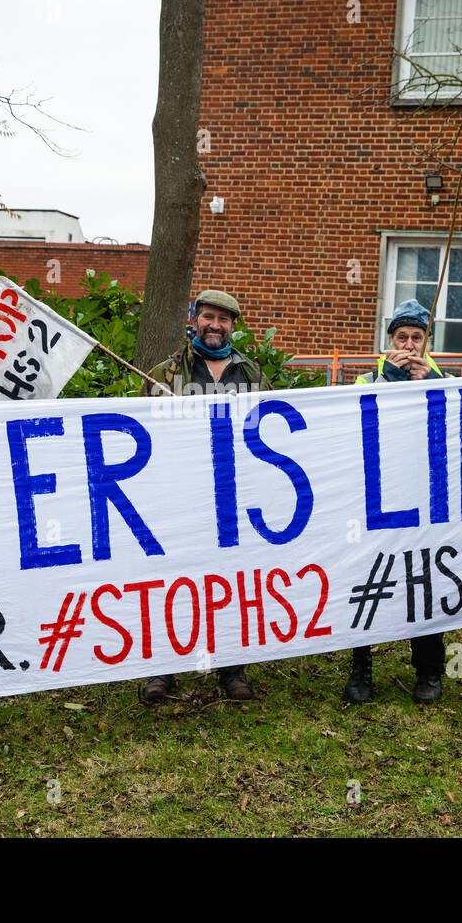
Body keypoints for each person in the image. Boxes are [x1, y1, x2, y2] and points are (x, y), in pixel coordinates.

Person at [139, 289, 271, 704]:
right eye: (208, 317)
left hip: (233, 497)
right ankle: (163, 670)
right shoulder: (167, 373)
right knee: (174, 580)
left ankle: (232, 670)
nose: (215, 326)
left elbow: (266, 427)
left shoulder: (251, 374)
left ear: (234, 326)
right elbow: (146, 431)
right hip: (179, 496)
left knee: (230, 581)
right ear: (194, 320)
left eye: (224, 319)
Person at [343, 299, 449, 704]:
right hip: (375, 499)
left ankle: (429, 669)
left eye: (416, 338)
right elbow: (354, 422)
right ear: (388, 341)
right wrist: (389, 379)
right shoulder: (367, 381)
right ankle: (361, 669)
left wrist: (431, 382)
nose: (408, 345)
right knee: (368, 579)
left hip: (424, 497)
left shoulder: (445, 380)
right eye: (401, 337)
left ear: (426, 343)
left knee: (426, 581)